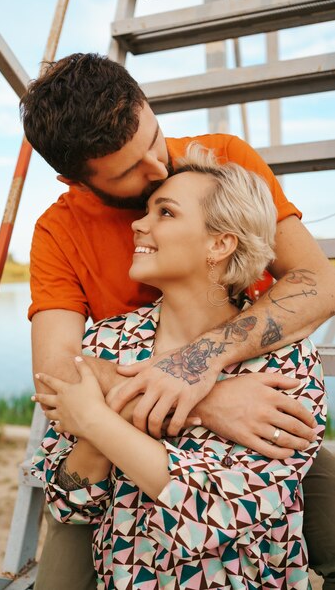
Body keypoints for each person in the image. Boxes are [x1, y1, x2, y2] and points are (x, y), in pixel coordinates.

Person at [20, 53, 335, 589]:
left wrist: (200, 362)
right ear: (73, 178)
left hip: (249, 416)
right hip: (130, 444)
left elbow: (318, 282)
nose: (160, 168)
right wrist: (206, 402)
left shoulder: (220, 163)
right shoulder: (58, 232)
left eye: (155, 139)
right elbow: (57, 376)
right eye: (129, 172)